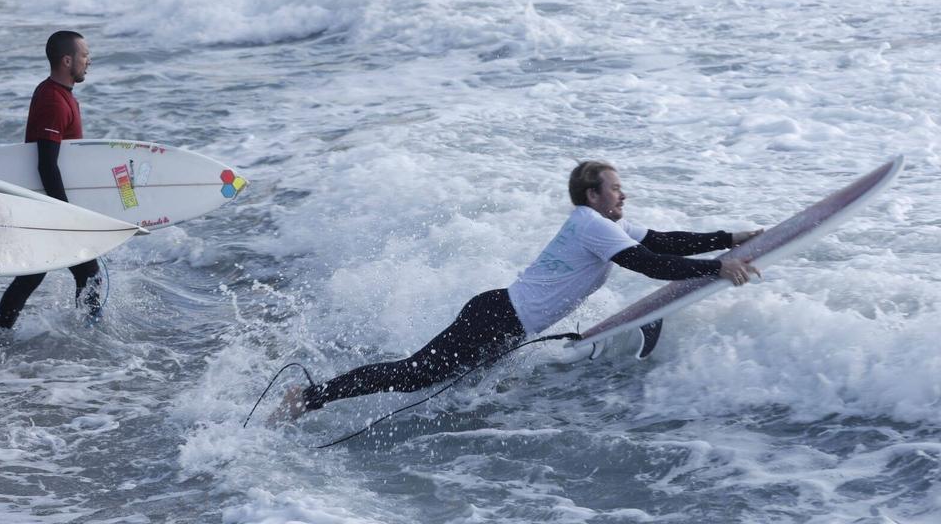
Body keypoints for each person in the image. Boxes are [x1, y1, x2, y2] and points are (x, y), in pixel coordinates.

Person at [274, 160, 762, 421]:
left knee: (445, 387)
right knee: (413, 375)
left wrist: (726, 240)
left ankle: (315, 398)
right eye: (616, 188)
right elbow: (645, 263)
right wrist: (718, 269)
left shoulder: (602, 223)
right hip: (497, 319)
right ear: (593, 195)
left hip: (504, 322)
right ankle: (308, 397)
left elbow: (659, 241)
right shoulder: (590, 224)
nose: (623, 194)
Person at [0, 31, 103, 341]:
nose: (88, 60)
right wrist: (64, 212)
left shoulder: (61, 93)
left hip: (46, 204)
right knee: (88, 275)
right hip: (48, 206)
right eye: (84, 55)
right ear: (67, 60)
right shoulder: (53, 99)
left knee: (35, 274)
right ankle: (90, 336)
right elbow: (46, 163)